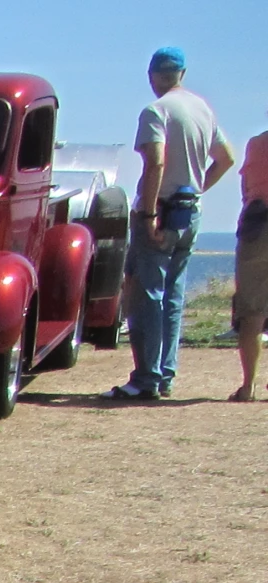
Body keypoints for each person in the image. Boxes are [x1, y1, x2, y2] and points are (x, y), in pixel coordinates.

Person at [111, 48, 237, 400]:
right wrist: (196, 191)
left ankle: (145, 379)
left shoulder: (156, 111)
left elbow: (156, 163)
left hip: (161, 210)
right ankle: (165, 373)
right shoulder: (201, 109)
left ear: (152, 76)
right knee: (174, 296)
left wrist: (149, 213)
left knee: (146, 295)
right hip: (188, 212)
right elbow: (225, 159)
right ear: (182, 73)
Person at [232, 115, 268, 401]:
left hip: (258, 224)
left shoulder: (256, 144)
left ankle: (249, 385)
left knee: (252, 311)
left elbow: (246, 189)